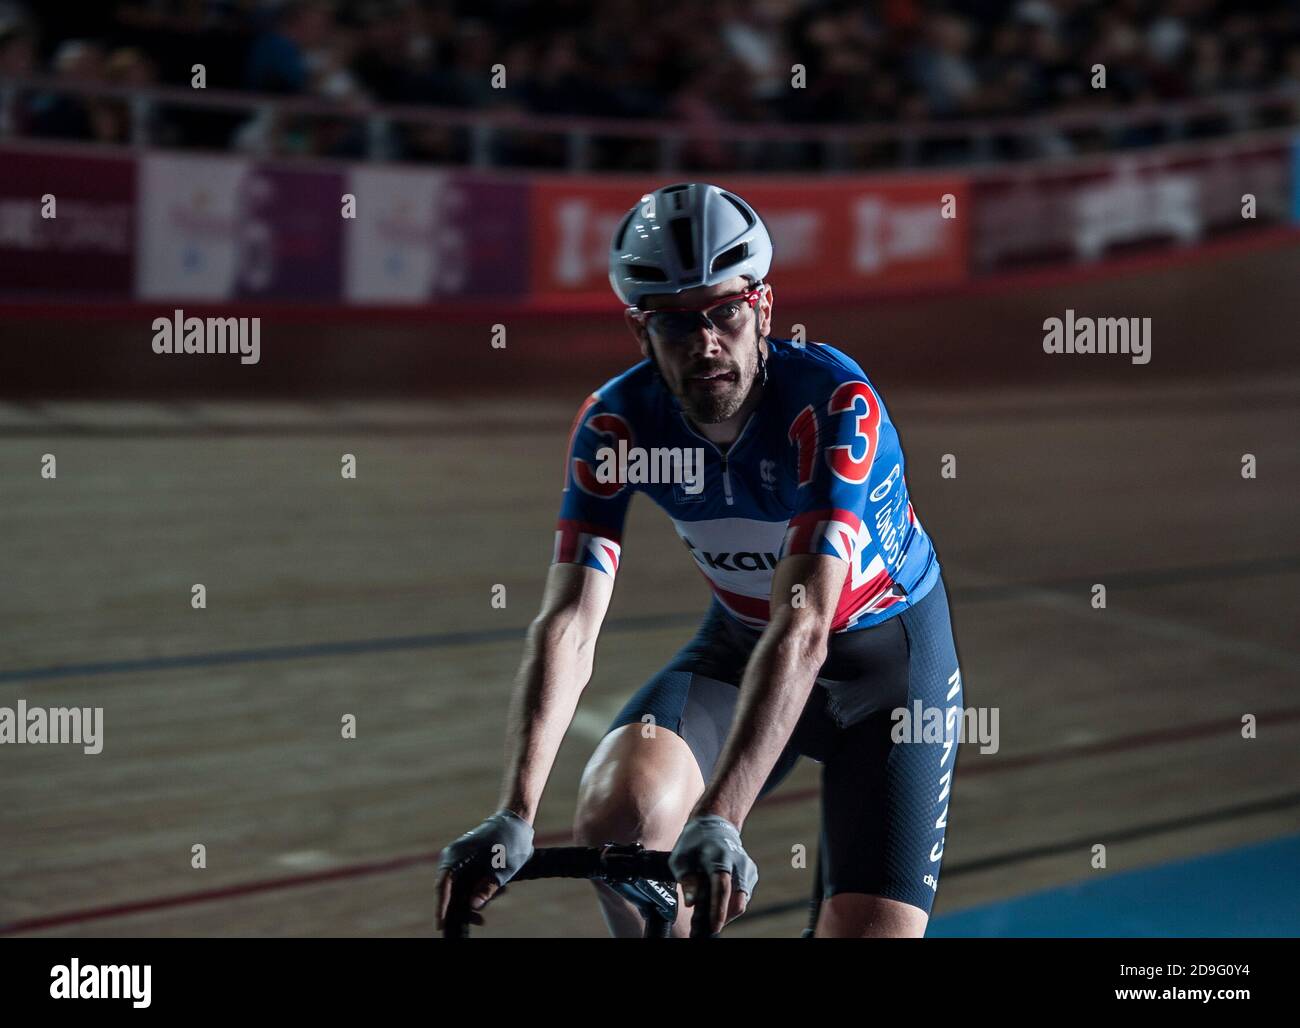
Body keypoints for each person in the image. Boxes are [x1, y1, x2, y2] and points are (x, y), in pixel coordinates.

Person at [437, 182, 963, 938]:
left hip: (886, 675)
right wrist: (515, 811)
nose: (706, 341)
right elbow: (569, 621)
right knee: (619, 817)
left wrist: (721, 815)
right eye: (676, 325)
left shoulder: (836, 405)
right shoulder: (617, 423)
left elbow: (806, 627)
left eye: (725, 311)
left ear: (764, 309)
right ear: (637, 331)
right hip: (743, 649)